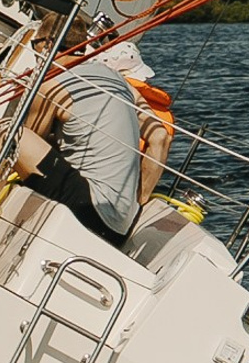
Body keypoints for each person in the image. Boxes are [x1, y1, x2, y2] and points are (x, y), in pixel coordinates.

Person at [9, 37, 172, 249]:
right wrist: (139, 203)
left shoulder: (63, 84)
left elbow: (31, 138)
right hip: (122, 217)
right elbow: (160, 138)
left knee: (9, 136)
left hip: (88, 203)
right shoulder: (129, 93)